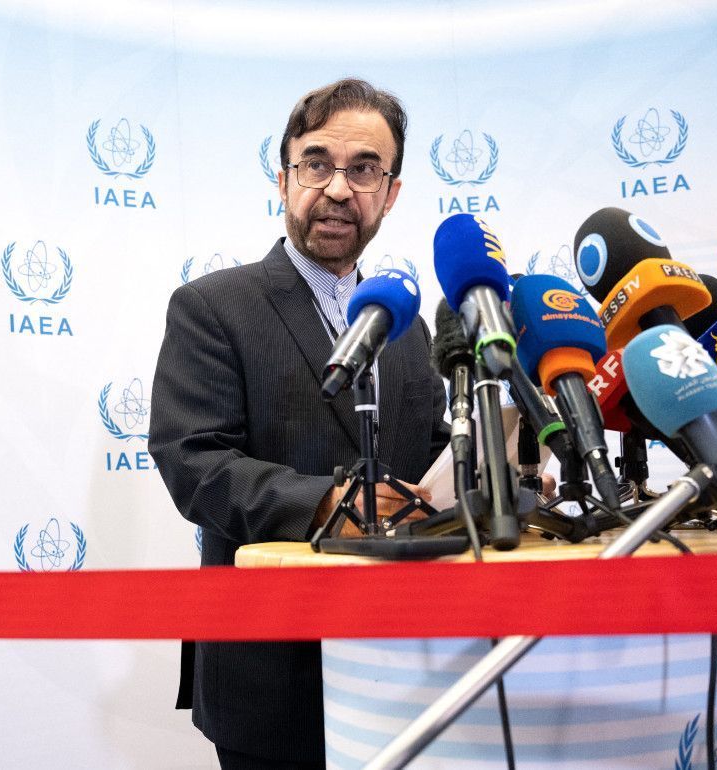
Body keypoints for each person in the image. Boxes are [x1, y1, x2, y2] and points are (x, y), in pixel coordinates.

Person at [149, 79, 451, 769]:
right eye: (317, 164)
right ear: (282, 179)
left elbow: (431, 456)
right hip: (269, 676)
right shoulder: (213, 307)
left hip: (408, 668)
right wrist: (329, 502)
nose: (339, 188)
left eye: (364, 168)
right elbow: (193, 461)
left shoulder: (408, 328)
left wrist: (495, 468)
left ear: (391, 192)